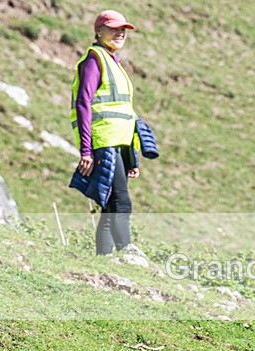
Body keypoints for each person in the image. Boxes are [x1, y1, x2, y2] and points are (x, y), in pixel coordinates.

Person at [71, 10, 142, 255]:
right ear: (98, 31)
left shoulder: (114, 62)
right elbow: (83, 103)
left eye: (123, 29)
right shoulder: (95, 59)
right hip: (104, 142)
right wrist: (86, 151)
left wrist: (131, 156)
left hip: (119, 143)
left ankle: (104, 258)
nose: (120, 33)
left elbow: (125, 113)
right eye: (113, 28)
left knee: (111, 204)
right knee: (120, 201)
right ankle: (127, 253)